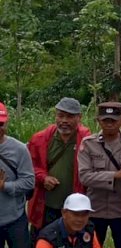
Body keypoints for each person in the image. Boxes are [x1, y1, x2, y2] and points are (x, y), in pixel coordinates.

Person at [77, 102, 121, 248]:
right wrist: (114, 175)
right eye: (105, 120)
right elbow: (84, 176)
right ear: (98, 121)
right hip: (96, 208)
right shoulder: (88, 144)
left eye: (114, 120)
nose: (109, 124)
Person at [27, 97, 90, 233]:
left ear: (79, 117)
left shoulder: (87, 140)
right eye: (60, 115)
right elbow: (29, 167)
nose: (64, 121)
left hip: (75, 207)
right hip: (46, 205)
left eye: (69, 116)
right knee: (41, 243)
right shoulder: (40, 139)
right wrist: (43, 178)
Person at [0, 102, 35, 248]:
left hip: (15, 218)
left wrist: (6, 186)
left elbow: (29, 182)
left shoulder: (19, 149)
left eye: (1, 123)